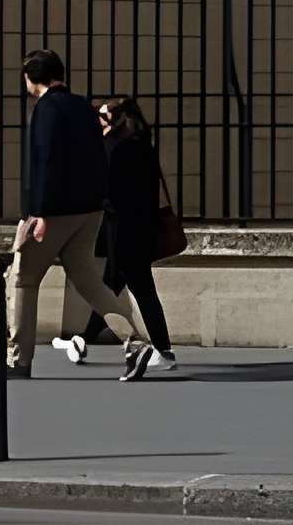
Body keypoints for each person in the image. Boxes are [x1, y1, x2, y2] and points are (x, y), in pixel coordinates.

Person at [10, 48, 132, 373]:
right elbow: (97, 156)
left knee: (23, 278)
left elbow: (44, 162)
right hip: (89, 209)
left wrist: (38, 214)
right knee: (89, 281)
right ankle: (135, 343)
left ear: (33, 78)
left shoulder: (45, 109)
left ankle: (17, 360)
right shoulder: (82, 106)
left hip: (54, 212)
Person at [99, 95, 180, 380]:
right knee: (119, 286)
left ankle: (158, 349)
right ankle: (162, 349)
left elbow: (107, 191)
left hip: (122, 230)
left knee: (119, 287)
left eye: (103, 117)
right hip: (142, 228)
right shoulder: (142, 144)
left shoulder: (115, 147)